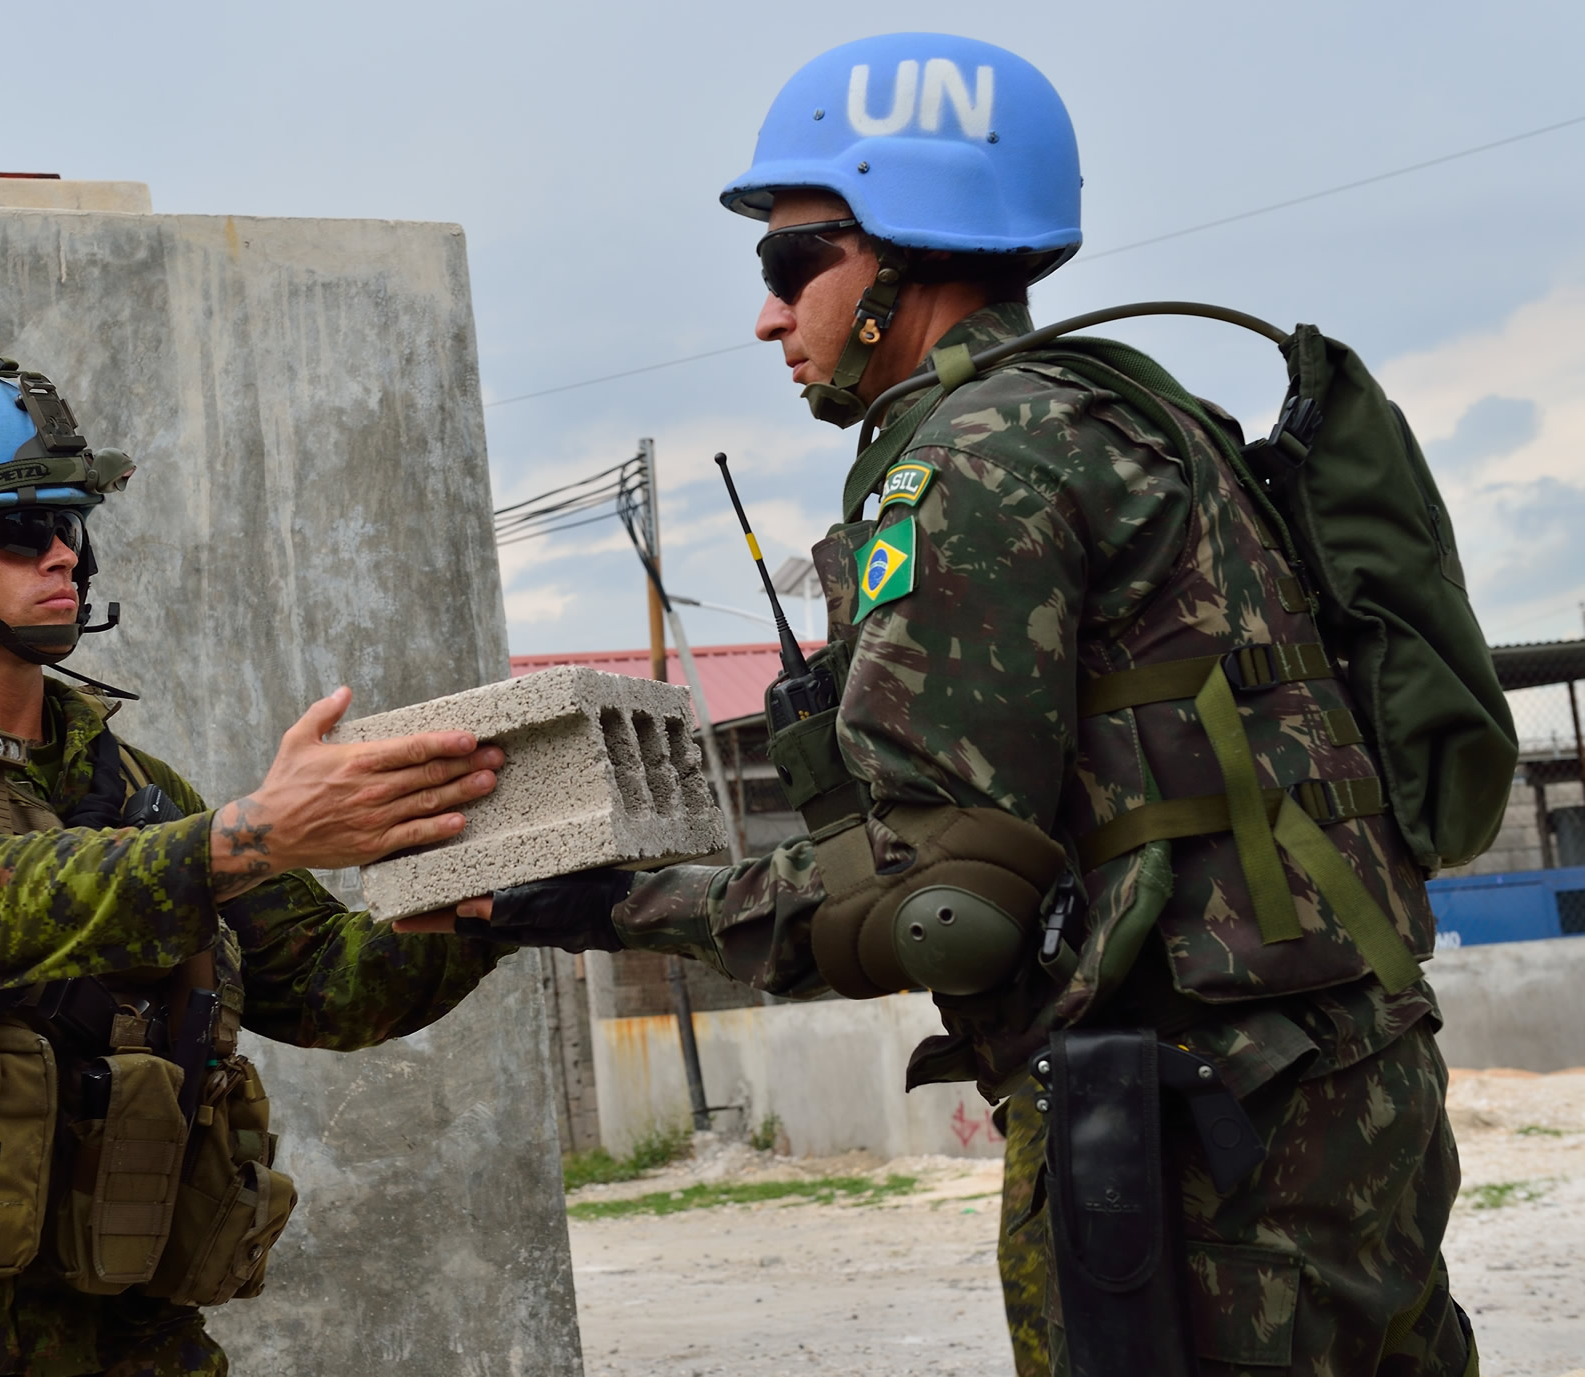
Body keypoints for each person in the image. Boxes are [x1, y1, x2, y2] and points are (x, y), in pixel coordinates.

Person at [433, 32, 1479, 1376]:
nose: (768, 313)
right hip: (1354, 1075)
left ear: (903, 256)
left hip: (1205, 1124)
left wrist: (612, 903)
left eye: (789, 260)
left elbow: (944, 903)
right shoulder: (1138, 417)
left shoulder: (979, 460)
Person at [0, 357, 510, 1376]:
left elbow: (326, 990)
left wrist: (481, 891)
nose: (62, 557)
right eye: (13, 530)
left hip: (118, 1334)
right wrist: (251, 834)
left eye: (67, 526)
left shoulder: (130, 785)